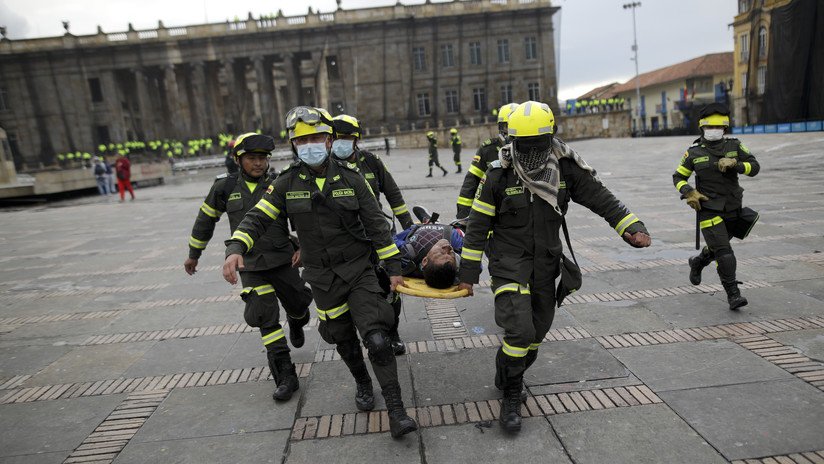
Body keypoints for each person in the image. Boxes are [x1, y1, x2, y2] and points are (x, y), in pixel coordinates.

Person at [457, 101, 651, 433]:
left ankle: (507, 370)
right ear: (513, 141)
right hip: (508, 263)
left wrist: (631, 227)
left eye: (538, 144)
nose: (532, 152)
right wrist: (468, 275)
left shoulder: (565, 169)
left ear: (551, 137)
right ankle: (512, 396)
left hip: (546, 263)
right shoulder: (498, 174)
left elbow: (600, 197)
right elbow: (477, 227)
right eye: (525, 145)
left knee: (537, 334)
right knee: (520, 331)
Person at [223, 106, 418, 438]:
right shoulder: (286, 182)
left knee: (377, 339)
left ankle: (397, 411)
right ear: (294, 145)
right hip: (323, 279)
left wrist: (394, 268)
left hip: (358, 271)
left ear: (329, 140)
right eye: (302, 140)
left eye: (315, 138)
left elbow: (376, 225)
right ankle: (362, 382)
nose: (309, 145)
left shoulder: (352, 178)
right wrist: (236, 247)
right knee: (343, 339)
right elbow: (258, 217)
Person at [187, 133, 313, 402]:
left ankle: (297, 319)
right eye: (252, 158)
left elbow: (302, 218)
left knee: (299, 303)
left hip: (283, 258)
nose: (258, 163)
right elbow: (205, 220)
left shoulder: (280, 182)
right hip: (250, 263)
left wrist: (302, 246)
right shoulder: (224, 187)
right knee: (263, 316)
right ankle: (285, 376)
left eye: (263, 158)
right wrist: (194, 254)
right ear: (238, 159)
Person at [332, 114, 415, 354]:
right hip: (346, 240)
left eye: (347, 137)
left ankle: (393, 332)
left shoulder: (371, 162)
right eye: (337, 137)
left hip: (378, 235)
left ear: (356, 139)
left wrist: (409, 226)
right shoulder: (325, 167)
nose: (341, 142)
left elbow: (393, 194)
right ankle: (365, 332)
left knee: (390, 286)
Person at [672, 102, 760, 310]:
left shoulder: (735, 146)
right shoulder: (693, 152)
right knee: (724, 252)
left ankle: (698, 261)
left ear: (725, 128)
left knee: (716, 248)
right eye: (710, 127)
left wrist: (737, 164)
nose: (714, 130)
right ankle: (733, 294)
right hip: (708, 209)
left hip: (733, 207)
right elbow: (678, 177)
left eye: (718, 127)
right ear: (702, 128)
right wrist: (689, 192)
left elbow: (755, 167)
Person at [455, 102, 519, 218]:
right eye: (508, 127)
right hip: (495, 214)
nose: (512, 132)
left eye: (516, 127)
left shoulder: (532, 151)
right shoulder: (488, 150)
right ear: (501, 128)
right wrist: (463, 215)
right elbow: (471, 183)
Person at [394, 208, 464, 289]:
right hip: (450, 231)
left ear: (425, 261)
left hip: (418, 230)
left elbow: (390, 240)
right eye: (451, 254)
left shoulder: (407, 255)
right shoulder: (455, 243)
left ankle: (427, 221)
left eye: (441, 253)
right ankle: (434, 222)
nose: (448, 248)